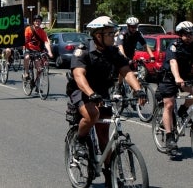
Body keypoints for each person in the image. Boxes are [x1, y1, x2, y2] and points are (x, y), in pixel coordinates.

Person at [68, 16, 146, 187]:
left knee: (104, 135)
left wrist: (138, 89)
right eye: (110, 33)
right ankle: (80, 141)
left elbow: (126, 71)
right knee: (93, 114)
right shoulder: (83, 50)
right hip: (81, 91)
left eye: (114, 32)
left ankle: (109, 173)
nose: (114, 36)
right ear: (98, 35)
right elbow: (78, 76)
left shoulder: (112, 51)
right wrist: (91, 93)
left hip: (102, 92)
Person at [157, 21, 193, 153]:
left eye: (191, 34)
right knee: (169, 104)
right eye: (186, 34)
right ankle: (169, 137)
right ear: (180, 34)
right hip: (169, 77)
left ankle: (183, 110)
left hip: (184, 78)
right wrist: (177, 77)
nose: (189, 36)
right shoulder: (174, 45)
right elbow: (173, 62)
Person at [114, 16, 155, 94]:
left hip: (130, 54)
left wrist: (152, 56)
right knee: (122, 69)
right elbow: (120, 47)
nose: (134, 28)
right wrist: (124, 57)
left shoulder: (138, 34)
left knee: (135, 74)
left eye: (135, 26)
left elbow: (145, 45)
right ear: (128, 26)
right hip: (120, 53)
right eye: (132, 27)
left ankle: (135, 95)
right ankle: (118, 85)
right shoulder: (123, 34)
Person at [23, 14, 53, 80]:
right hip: (28, 48)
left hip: (36, 50)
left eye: (39, 21)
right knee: (27, 57)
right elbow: (25, 39)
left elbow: (46, 42)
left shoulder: (42, 32)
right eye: (36, 21)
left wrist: (50, 52)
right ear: (33, 22)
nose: (37, 22)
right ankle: (26, 72)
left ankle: (37, 83)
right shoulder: (28, 29)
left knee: (39, 68)